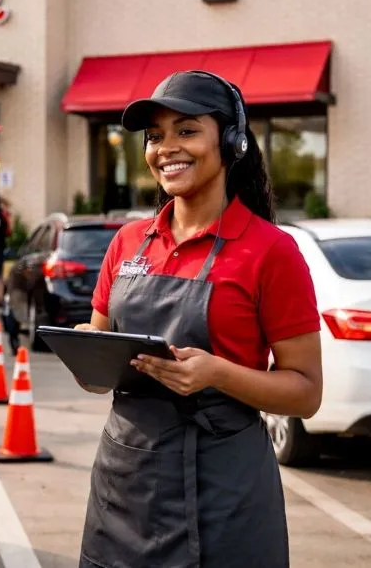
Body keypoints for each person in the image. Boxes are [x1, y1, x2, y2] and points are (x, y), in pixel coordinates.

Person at [74, 71, 323, 568]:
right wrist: (85, 348)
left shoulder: (271, 251)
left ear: (232, 142)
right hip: (125, 483)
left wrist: (216, 373)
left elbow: (306, 393)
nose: (167, 147)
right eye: (155, 135)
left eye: (186, 130)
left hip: (224, 488)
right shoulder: (128, 242)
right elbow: (98, 368)